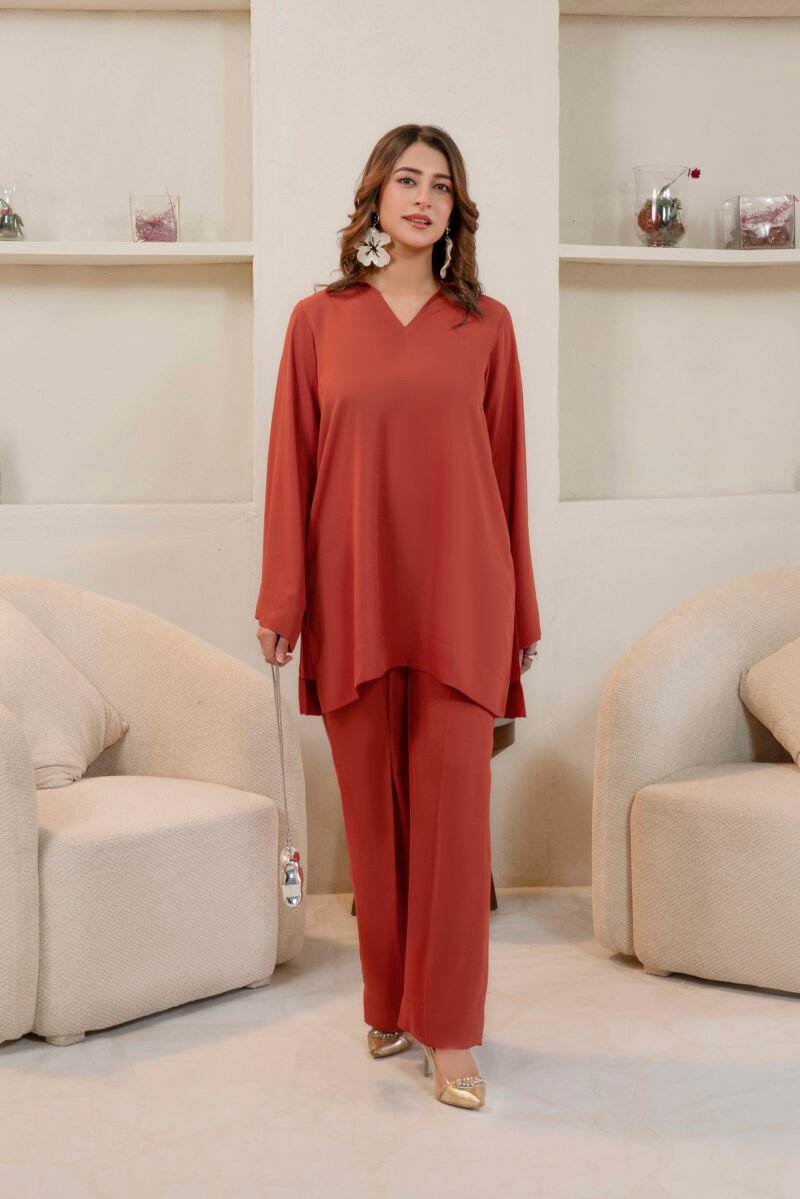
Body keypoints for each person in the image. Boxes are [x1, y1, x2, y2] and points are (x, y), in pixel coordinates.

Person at [255, 123, 541, 1111]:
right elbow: (291, 465)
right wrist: (282, 598)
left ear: (457, 210)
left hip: (464, 600)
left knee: (455, 828)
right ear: (375, 197)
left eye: (441, 185)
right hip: (353, 600)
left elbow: (507, 476)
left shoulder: (487, 326)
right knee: (372, 825)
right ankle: (388, 1002)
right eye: (406, 180)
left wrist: (520, 611)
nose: (423, 198)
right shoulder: (317, 321)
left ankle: (449, 1029)